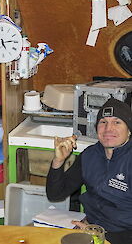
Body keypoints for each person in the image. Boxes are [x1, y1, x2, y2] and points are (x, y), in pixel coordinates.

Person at [46, 98, 132, 244]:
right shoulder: (89, 155)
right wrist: (58, 161)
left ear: (129, 130)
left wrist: (100, 235)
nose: (108, 129)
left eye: (117, 122)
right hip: (90, 227)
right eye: (103, 122)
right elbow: (55, 194)